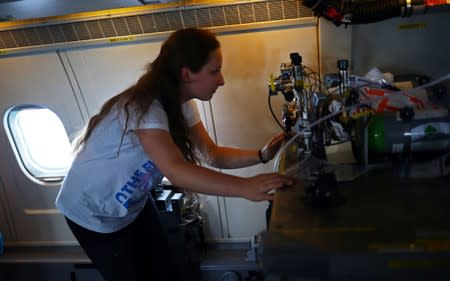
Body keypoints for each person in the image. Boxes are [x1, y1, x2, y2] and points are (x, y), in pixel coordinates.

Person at [55, 27, 294, 281]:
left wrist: (262, 155)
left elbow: (211, 154)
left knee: (167, 271)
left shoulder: (182, 104)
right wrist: (245, 187)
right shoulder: (145, 108)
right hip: (93, 214)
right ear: (186, 74)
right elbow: (176, 171)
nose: (221, 80)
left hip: (133, 206)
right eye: (214, 71)